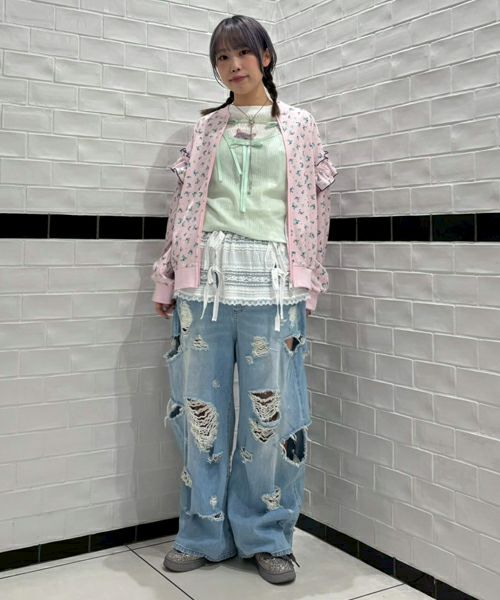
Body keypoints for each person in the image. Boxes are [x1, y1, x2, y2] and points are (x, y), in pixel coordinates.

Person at [151, 14, 337, 585]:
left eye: (242, 54)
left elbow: (317, 206)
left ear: (266, 57)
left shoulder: (300, 126)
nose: (233, 66)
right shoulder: (206, 128)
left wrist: (309, 279)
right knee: (199, 415)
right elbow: (184, 204)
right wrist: (167, 276)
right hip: (204, 285)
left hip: (274, 289)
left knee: (272, 418)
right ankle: (202, 533)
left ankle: (267, 535)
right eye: (222, 58)